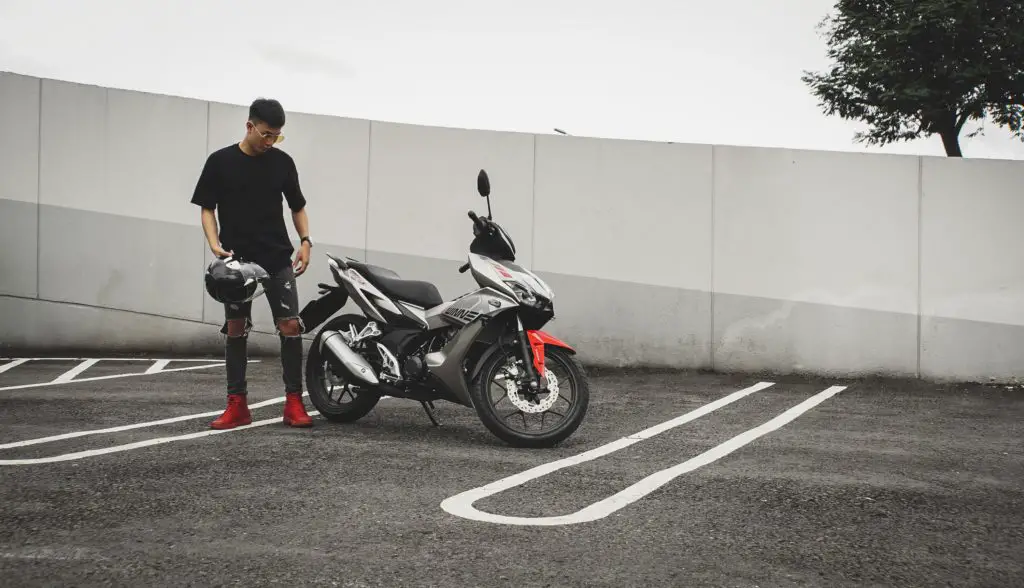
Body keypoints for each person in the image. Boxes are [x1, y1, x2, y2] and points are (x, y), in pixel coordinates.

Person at [190, 98, 314, 429]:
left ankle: (294, 403)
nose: (271, 141)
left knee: (290, 326)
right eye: (266, 134)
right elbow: (206, 207)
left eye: (277, 136)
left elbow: (297, 206)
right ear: (249, 126)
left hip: (276, 258)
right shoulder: (220, 162)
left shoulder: (283, 163)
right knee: (235, 329)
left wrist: (305, 241)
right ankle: (237, 405)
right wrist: (214, 243)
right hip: (238, 263)